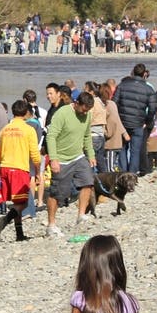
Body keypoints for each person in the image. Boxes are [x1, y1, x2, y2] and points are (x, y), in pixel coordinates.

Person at [46, 91, 99, 237]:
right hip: (61, 159)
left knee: (88, 181)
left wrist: (91, 155)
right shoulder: (62, 113)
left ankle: (81, 215)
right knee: (57, 194)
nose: (85, 113)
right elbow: (51, 136)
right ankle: (51, 225)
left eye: (88, 110)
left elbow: (87, 135)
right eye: (83, 109)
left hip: (78, 156)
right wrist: (53, 159)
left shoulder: (87, 114)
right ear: (76, 104)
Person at [0, 99, 42, 242]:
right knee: (24, 201)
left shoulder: (4, 130)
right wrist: (38, 172)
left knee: (16, 202)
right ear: (26, 112)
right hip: (19, 168)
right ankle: (4, 220)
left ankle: (19, 233)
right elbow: (35, 154)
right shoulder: (28, 129)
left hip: (5, 167)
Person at [113, 65, 157, 174]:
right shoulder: (148, 89)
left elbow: (114, 103)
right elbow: (152, 108)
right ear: (144, 74)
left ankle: (123, 173)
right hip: (138, 122)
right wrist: (147, 121)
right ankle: (132, 174)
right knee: (135, 151)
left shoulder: (122, 86)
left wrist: (117, 119)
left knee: (122, 149)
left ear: (133, 72)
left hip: (123, 121)